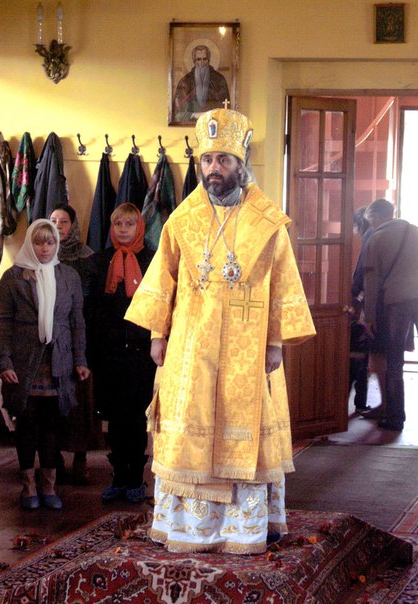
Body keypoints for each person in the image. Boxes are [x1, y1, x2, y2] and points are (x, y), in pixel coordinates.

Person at [125, 108, 316, 554]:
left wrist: (275, 342)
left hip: (249, 348)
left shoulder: (267, 223)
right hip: (191, 347)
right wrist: (157, 335)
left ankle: (244, 529)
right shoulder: (182, 219)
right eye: (208, 160)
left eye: (224, 160)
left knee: (242, 430)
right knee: (189, 430)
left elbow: (283, 282)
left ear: (239, 164)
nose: (215, 169)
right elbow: (163, 278)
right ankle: (190, 529)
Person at [0, 219, 90, 510]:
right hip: (24, 364)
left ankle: (49, 487)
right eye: (38, 242)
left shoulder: (69, 276)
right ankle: (28, 487)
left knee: (52, 426)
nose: (45, 248)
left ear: (56, 244)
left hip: (58, 362)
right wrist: (4, 362)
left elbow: (77, 322)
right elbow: (4, 324)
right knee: (27, 425)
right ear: (30, 244)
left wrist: (80, 359)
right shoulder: (12, 277)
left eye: (50, 242)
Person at [85, 202, 156, 503]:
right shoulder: (99, 261)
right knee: (115, 418)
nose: (123, 229)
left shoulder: (152, 259)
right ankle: (118, 477)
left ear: (139, 227)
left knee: (136, 417)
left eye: (129, 224)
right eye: (118, 224)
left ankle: (136, 478)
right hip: (109, 353)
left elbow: (158, 305)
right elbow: (90, 309)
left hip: (141, 354)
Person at [363, 198, 418, 431]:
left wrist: (369, 316)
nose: (370, 224)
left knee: (394, 361)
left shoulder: (376, 239)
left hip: (397, 302)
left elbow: (371, 281)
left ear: (376, 216)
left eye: (370, 219)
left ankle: (396, 418)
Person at [50, 204, 99, 485]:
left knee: (81, 401)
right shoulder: (41, 254)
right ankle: (53, 457)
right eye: (53, 220)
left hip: (81, 337)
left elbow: (92, 300)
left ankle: (80, 458)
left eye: (64, 221)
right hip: (52, 340)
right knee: (52, 399)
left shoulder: (87, 257)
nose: (58, 226)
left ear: (73, 225)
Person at [349, 207, 387, 418]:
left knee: (368, 356)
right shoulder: (381, 235)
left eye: (354, 226)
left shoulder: (370, 237)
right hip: (386, 302)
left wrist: (353, 294)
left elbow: (362, 272)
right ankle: (375, 404)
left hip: (373, 304)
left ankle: (379, 405)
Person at [172, 44, 230, 123]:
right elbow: (177, 113)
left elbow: (226, 109)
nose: (202, 63)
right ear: (194, 61)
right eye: (198, 59)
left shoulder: (219, 79)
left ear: (208, 60)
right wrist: (194, 115)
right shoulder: (185, 81)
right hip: (190, 124)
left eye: (205, 59)